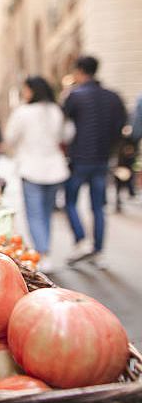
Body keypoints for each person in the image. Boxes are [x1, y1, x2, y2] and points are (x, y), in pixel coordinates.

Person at [62, 56, 127, 267]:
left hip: (80, 159)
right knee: (98, 206)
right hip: (102, 159)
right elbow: (121, 127)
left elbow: (63, 125)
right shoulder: (113, 97)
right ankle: (98, 251)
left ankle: (81, 241)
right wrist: (109, 149)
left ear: (80, 71)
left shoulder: (75, 96)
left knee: (70, 202)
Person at [3, 76, 71, 272]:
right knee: (46, 213)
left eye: (25, 89)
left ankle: (42, 252)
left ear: (32, 90)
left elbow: (10, 137)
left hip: (31, 167)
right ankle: (45, 251)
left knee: (35, 214)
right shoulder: (56, 110)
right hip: (55, 168)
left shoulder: (23, 112)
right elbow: (65, 135)